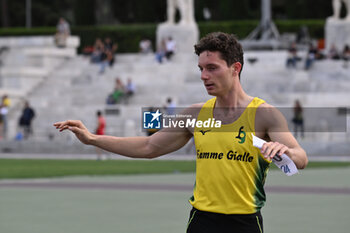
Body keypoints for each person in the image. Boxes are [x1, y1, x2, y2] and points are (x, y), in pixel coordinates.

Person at [54, 32, 308, 233]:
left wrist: (285, 151)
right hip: (202, 221)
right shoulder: (194, 115)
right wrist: (91, 139)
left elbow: (300, 158)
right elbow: (149, 147)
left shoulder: (264, 114)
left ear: (235, 68)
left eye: (212, 68)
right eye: (201, 69)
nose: (203, 76)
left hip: (245, 223)